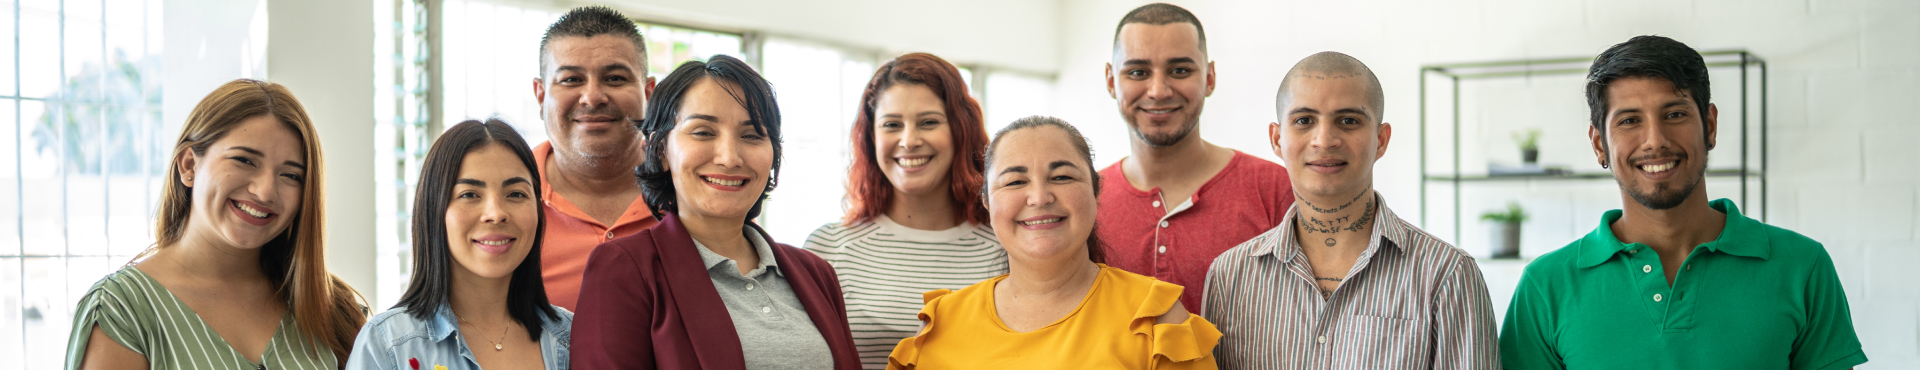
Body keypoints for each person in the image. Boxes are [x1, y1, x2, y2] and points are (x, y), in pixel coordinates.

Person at [1500, 35, 1867, 370]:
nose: (1655, 140)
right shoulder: (1545, 287)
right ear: (1599, 144)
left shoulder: (1802, 267)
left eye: (1675, 115)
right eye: (1629, 120)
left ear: (1710, 125)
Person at [1202, 52, 1498, 369]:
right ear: (1277, 139)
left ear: (1380, 140)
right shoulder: (1229, 277)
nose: (1324, 140)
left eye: (1348, 121)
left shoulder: (1448, 274)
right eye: (1304, 121)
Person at [570, 55, 861, 369]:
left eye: (752, 135)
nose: (729, 157)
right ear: (660, 149)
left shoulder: (816, 273)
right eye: (703, 132)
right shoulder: (624, 269)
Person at [64, 79, 367, 369]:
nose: (265, 192)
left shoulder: (335, 309)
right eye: (244, 160)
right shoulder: (121, 308)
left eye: (291, 175)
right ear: (189, 165)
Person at [888, 116, 1220, 370]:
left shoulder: (1155, 318)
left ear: (1096, 190)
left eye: (1061, 177)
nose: (1039, 197)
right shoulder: (940, 322)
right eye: (1015, 181)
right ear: (986, 201)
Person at [802, 52, 1006, 369]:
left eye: (928, 122)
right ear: (871, 138)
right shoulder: (827, 249)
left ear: (960, 131)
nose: (909, 141)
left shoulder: (1005, 248)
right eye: (892, 125)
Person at [1097, 3, 1292, 312]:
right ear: (1111, 81)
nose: (1158, 91)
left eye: (1180, 71)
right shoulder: (1084, 199)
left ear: (1210, 78)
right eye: (1138, 72)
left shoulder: (1276, 190)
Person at [347, 120, 572, 369]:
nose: (496, 213)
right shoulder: (387, 346)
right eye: (469, 195)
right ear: (434, 210)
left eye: (516, 194)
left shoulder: (574, 338)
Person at [532, 5, 661, 311]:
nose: (592, 97)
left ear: (648, 94)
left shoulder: (693, 190)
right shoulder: (496, 202)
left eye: (614, 78)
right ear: (541, 96)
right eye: (570, 80)